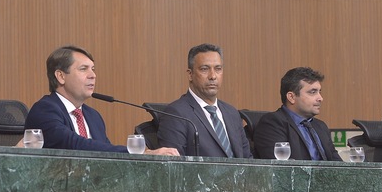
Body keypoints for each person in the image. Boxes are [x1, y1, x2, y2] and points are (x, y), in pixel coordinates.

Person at [25, 46, 178, 155]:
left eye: (93, 69)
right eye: (83, 69)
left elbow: (106, 154)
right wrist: (138, 153)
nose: (93, 75)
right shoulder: (44, 110)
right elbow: (74, 145)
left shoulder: (93, 116)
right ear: (61, 76)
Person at [157, 43, 252, 158]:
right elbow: (174, 165)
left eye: (218, 69)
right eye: (204, 69)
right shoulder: (176, 114)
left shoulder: (232, 113)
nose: (213, 76)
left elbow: (248, 161)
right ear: (190, 74)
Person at [253, 67, 343, 161]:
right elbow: (281, 166)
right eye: (313, 92)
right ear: (291, 97)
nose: (320, 98)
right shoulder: (272, 123)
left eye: (319, 92)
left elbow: (338, 164)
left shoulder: (320, 126)